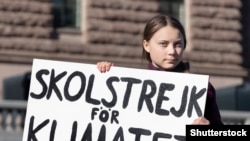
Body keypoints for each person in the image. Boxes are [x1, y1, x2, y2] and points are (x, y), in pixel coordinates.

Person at [96, 14, 223, 125]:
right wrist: (102, 75)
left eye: (178, 44)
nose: (172, 51)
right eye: (163, 44)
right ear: (146, 45)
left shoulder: (202, 89)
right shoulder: (128, 84)